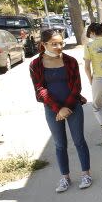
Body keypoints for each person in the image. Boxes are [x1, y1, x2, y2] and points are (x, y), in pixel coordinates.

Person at [29, 29, 92, 192]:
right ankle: (65, 177)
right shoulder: (35, 64)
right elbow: (40, 89)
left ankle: (86, 174)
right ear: (44, 44)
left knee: (79, 140)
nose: (59, 46)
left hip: (73, 106)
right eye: (54, 44)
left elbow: (77, 86)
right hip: (52, 109)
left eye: (61, 43)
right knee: (59, 144)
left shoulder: (70, 61)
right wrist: (58, 108)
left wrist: (66, 107)